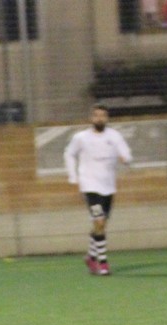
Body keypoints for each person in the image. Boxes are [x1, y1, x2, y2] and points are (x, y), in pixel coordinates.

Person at [64, 104, 132, 276]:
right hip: (90, 187)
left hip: (108, 187)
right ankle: (103, 263)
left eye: (103, 115)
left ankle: (91, 256)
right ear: (91, 118)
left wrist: (126, 159)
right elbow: (69, 153)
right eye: (96, 115)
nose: (99, 118)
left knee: (100, 224)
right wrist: (73, 176)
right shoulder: (81, 137)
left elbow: (126, 152)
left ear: (107, 118)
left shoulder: (114, 136)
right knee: (99, 221)